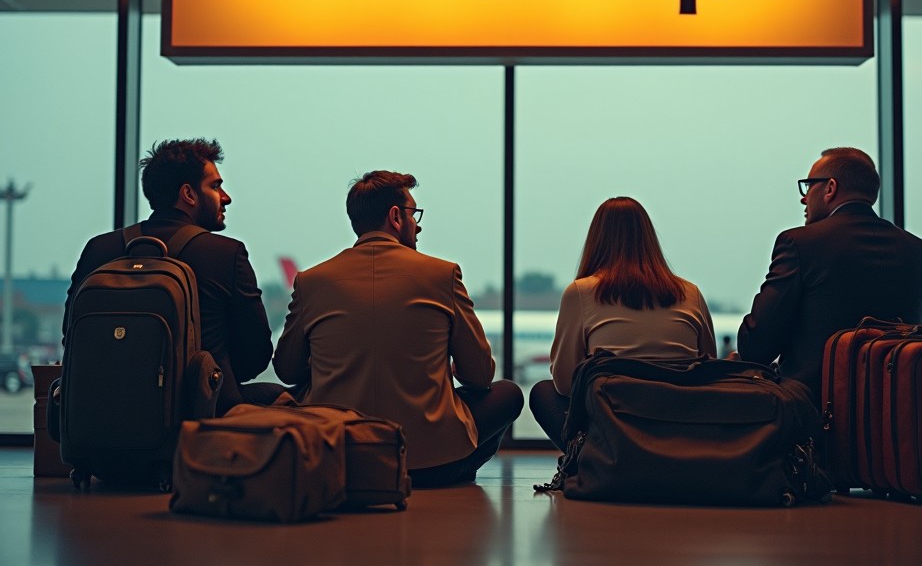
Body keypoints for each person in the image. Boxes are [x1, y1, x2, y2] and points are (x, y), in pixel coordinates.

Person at [273, 170, 523, 487]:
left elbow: (287, 370)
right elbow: (481, 376)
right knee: (509, 394)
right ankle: (455, 471)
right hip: (431, 464)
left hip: (339, 457)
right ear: (395, 216)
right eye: (413, 214)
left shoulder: (312, 281)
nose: (417, 225)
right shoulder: (442, 274)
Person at [64, 138, 281, 414]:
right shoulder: (225, 254)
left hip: (101, 420)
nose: (226, 197)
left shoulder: (99, 249)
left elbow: (70, 335)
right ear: (188, 194)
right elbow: (256, 355)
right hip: (200, 419)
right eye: (215, 186)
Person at [737, 147, 922, 406]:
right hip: (896, 419)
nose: (804, 199)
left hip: (816, 420)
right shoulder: (919, 251)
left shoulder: (800, 244)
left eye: (808, 186)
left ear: (830, 188)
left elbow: (756, 347)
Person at [529, 196, 717, 452]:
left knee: (542, 392)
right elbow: (710, 367)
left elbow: (564, 383)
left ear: (596, 241)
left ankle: (588, 461)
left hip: (614, 441)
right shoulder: (690, 292)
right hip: (681, 434)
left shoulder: (580, 293)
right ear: (649, 239)